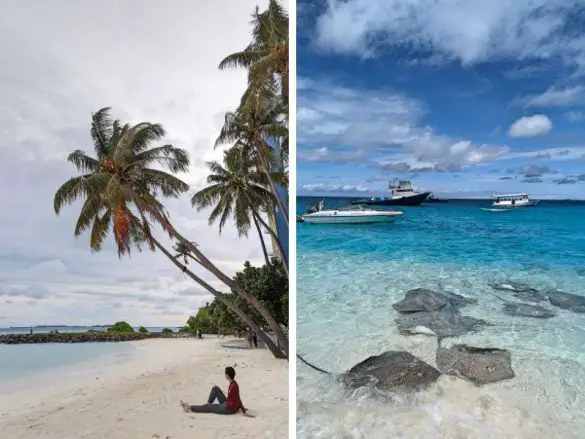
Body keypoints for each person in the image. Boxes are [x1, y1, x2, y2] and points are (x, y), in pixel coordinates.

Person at [180, 367, 251, 416]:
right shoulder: (232, 383)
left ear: (227, 375)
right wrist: (239, 407)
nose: (224, 374)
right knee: (215, 388)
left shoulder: (234, 386)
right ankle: (208, 405)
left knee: (210, 408)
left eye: (225, 373)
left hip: (228, 409)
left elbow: (238, 399)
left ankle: (189, 407)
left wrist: (243, 411)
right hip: (228, 404)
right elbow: (235, 398)